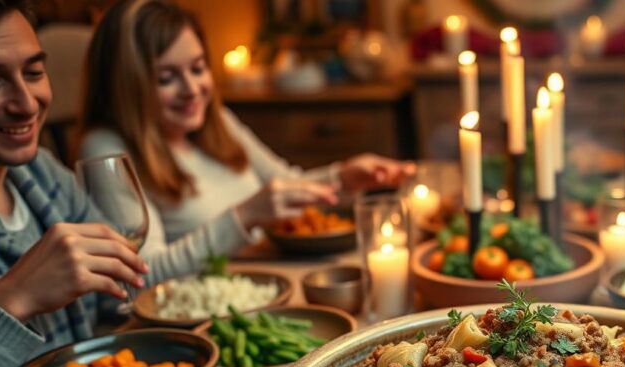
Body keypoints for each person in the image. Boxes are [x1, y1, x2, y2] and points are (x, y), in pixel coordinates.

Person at [0, 0, 233, 367]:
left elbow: (123, 290)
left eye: (34, 72)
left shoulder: (40, 173)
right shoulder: (96, 146)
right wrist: (12, 299)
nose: (26, 103)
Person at [76, 0, 412, 254]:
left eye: (197, 68)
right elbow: (142, 274)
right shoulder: (105, 148)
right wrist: (244, 216)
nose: (192, 89)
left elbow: (284, 185)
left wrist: (342, 179)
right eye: (166, 78)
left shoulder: (214, 120)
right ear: (125, 85)